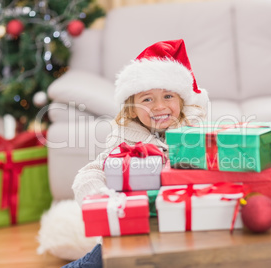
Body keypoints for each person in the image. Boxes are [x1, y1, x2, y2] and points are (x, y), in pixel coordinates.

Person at [62, 39, 209, 268]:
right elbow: (89, 174)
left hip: (179, 229)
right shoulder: (124, 139)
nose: (159, 106)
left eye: (168, 96)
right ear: (132, 108)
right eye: (147, 99)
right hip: (131, 233)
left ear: (181, 100)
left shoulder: (195, 133)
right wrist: (103, 197)